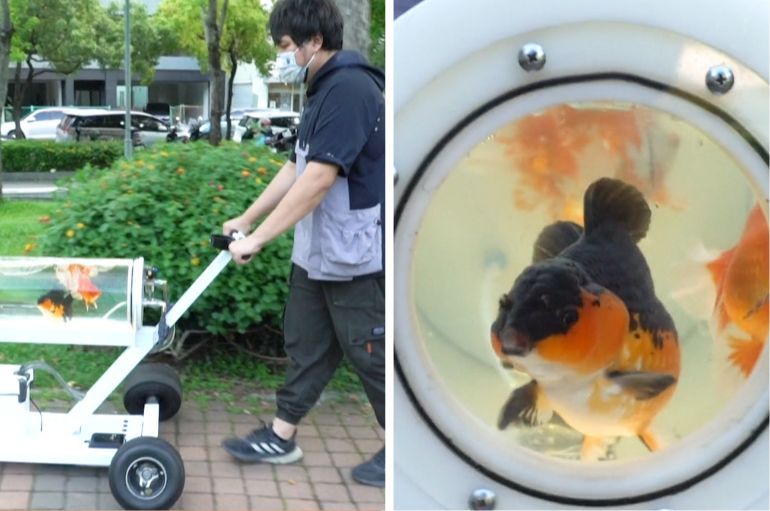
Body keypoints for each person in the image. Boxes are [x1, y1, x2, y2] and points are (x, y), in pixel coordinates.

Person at [220, 0, 386, 488]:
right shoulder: (322, 90)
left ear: (315, 41)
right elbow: (296, 166)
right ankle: (281, 434)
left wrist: (259, 240)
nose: (285, 57)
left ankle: (405, 448)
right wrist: (247, 219)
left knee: (369, 353)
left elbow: (317, 179)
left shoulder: (352, 89)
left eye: (289, 46)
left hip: (353, 255)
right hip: (318, 249)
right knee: (307, 344)